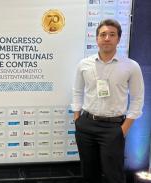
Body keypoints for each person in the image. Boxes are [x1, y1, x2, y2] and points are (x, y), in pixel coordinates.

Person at [72, 19, 144, 183]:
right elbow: (77, 91)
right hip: (86, 125)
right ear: (96, 38)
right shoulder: (84, 64)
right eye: (103, 34)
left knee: (114, 176)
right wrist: (77, 119)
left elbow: (137, 98)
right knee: (89, 174)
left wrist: (123, 129)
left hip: (113, 128)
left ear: (118, 39)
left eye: (112, 34)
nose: (107, 38)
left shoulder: (131, 66)